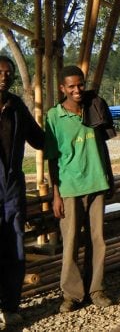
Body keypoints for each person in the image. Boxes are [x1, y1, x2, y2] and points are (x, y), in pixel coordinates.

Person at [45, 65, 115, 313]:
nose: (77, 90)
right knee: (71, 240)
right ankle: (72, 294)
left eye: (80, 84)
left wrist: (109, 177)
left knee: (98, 240)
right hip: (70, 187)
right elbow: (52, 158)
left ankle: (96, 289)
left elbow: (104, 146)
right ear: (63, 88)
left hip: (96, 182)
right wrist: (56, 194)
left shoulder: (94, 107)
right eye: (71, 86)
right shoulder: (54, 117)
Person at [0, 56, 44, 329]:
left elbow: (39, 139)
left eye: (8, 72)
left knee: (14, 247)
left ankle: (11, 305)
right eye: (0, 72)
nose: (4, 76)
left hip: (13, 188)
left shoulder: (16, 107)